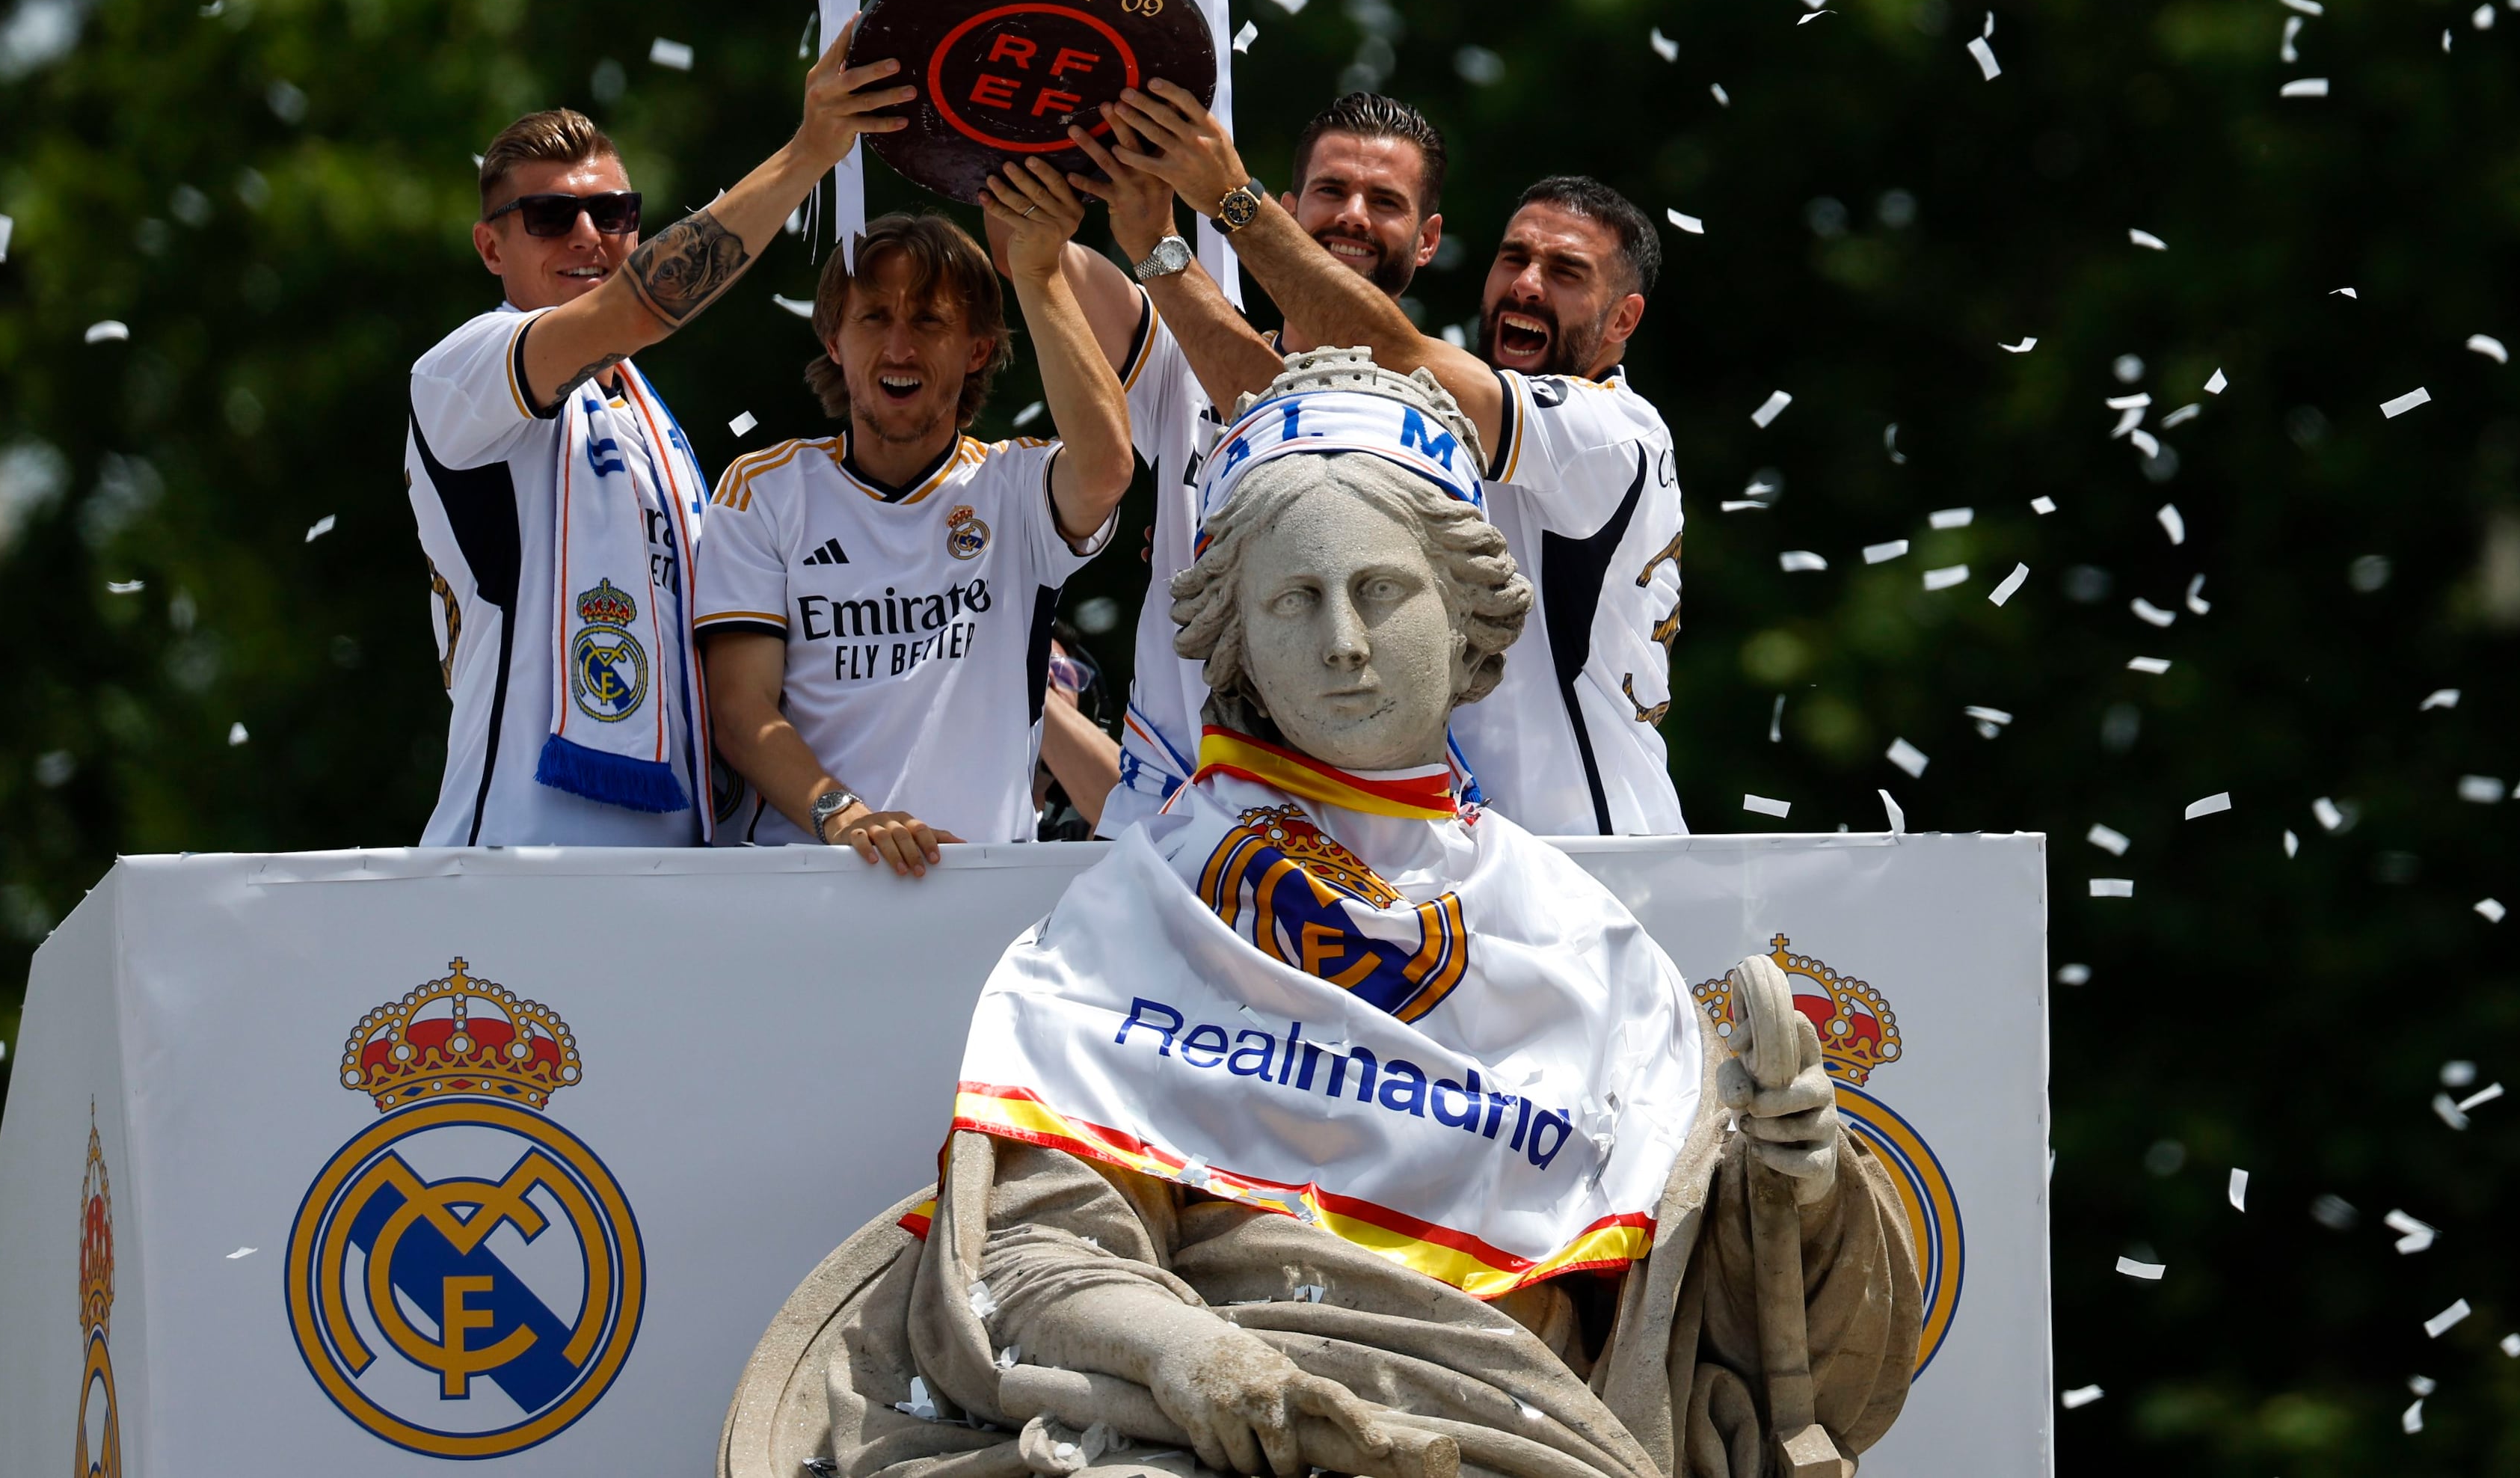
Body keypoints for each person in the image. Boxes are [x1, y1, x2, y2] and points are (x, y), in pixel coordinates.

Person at [718, 354, 1917, 1478]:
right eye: (1294, 599)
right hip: (1209, 1437)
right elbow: (1031, 1259)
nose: (1342, 642)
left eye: (1382, 590)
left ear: (1465, 618)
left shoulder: (1583, 941)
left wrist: (1798, 1190)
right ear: (1234, 636)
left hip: (1507, 1443)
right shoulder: (1147, 900)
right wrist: (1185, 1354)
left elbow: (1733, 1345)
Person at [1092, 87, 1688, 838]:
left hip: (1593, 855)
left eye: (1565, 272)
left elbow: (1395, 354)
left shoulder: (1607, 431)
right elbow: (1285, 398)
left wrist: (1231, 202)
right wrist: (1153, 246)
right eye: (1513, 259)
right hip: (1463, 856)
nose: (1526, 285)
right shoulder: (1462, 407)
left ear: (1622, 320)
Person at [403, 28, 911, 847]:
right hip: (514, 855)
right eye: (548, 214)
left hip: (678, 869)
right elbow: (637, 309)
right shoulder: (462, 369)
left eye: (612, 212)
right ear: (490, 245)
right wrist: (812, 151)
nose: (586, 234)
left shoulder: (652, 422)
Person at [692, 178, 1140, 872]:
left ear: (978, 350)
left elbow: (1109, 468)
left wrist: (1038, 272)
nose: (899, 347)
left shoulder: (1015, 485)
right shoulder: (766, 488)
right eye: (874, 317)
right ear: (834, 341)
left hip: (983, 892)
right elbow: (738, 708)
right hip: (802, 885)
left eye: (929, 321)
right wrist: (847, 818)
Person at [1035, 89, 1455, 821]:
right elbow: (1042, 252)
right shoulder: (1181, 360)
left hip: (1358, 830)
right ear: (1288, 210)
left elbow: (1309, 416)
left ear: (1427, 240)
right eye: (1331, 191)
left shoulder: (1445, 408)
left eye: (1383, 200)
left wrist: (1176, 233)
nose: (1353, 213)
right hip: (1171, 814)